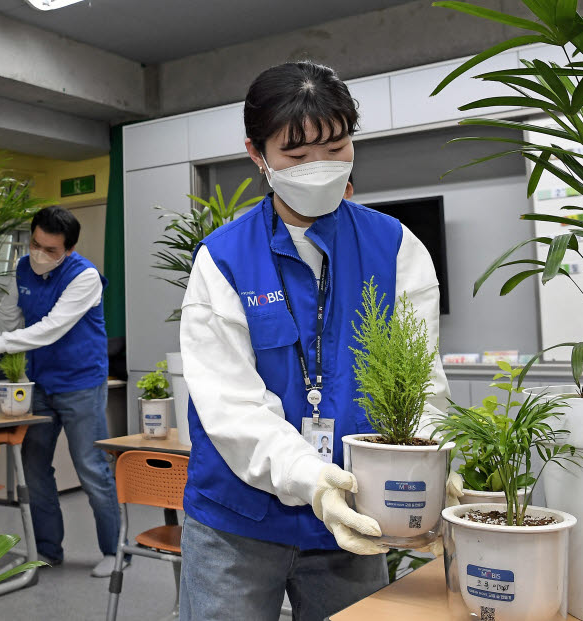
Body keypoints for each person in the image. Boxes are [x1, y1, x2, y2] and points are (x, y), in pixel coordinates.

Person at [177, 61, 456, 620]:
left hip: (355, 516)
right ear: (258, 155)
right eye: (297, 156)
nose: (320, 167)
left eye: (335, 147)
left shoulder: (396, 249)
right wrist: (312, 482)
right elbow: (230, 405)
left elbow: (421, 383)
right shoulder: (224, 260)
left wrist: (431, 469)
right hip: (239, 519)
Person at [0, 206, 121, 577]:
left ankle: (115, 551)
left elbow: (51, 327)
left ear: (67, 250)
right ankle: (47, 550)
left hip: (81, 383)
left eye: (50, 249)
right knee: (35, 469)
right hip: (40, 384)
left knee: (91, 469)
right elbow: (5, 317)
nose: (39, 254)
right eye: (35, 244)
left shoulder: (84, 277)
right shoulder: (23, 269)